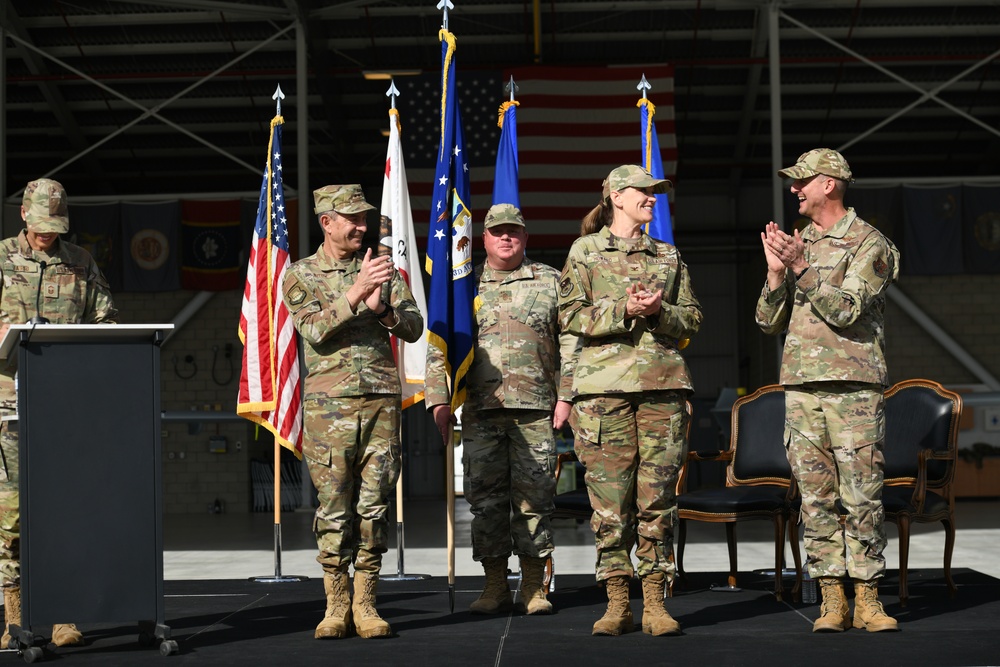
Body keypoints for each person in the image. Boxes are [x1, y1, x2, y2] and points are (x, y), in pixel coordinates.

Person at [756, 148, 900, 633]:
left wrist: (799, 268)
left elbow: (845, 310)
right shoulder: (801, 244)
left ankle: (869, 599)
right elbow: (766, 322)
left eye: (803, 182)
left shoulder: (868, 243)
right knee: (816, 499)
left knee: (862, 495)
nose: (794, 190)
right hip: (801, 387)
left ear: (830, 185)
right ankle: (832, 599)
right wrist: (776, 275)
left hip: (854, 387)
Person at [558, 165, 702, 637]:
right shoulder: (586, 251)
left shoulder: (668, 254)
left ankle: (656, 601)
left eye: (655, 192)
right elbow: (569, 314)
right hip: (604, 394)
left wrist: (659, 312)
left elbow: (693, 320)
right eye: (645, 191)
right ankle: (618, 600)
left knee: (657, 500)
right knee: (610, 503)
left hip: (663, 389)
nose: (653, 198)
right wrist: (624, 309)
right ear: (616, 196)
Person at [281, 184, 423, 640]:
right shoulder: (301, 274)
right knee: (334, 508)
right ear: (327, 221)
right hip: (330, 407)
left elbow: (415, 327)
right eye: (353, 219)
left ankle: (366, 603)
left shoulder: (384, 269)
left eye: (365, 219)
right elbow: (314, 329)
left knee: (375, 504)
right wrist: (356, 292)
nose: (362, 226)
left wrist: (382, 309)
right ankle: (336, 604)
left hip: (380, 401)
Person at [425, 204, 578, 616]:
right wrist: (438, 400)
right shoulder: (465, 285)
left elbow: (572, 343)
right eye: (497, 232)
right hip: (480, 411)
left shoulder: (550, 281)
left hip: (536, 412)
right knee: (486, 504)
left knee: (535, 503)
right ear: (484, 239)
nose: (506, 237)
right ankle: (493, 585)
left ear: (525, 238)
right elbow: (442, 343)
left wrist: (566, 397)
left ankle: (532, 587)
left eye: (514, 231)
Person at [0, 178, 118, 648]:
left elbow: (106, 320)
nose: (48, 234)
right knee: (11, 515)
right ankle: (14, 616)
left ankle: (64, 614)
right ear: (24, 215)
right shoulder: (2, 257)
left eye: (57, 226)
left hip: (65, 406)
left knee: (65, 512)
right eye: (41, 224)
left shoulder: (81, 262)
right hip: (10, 403)